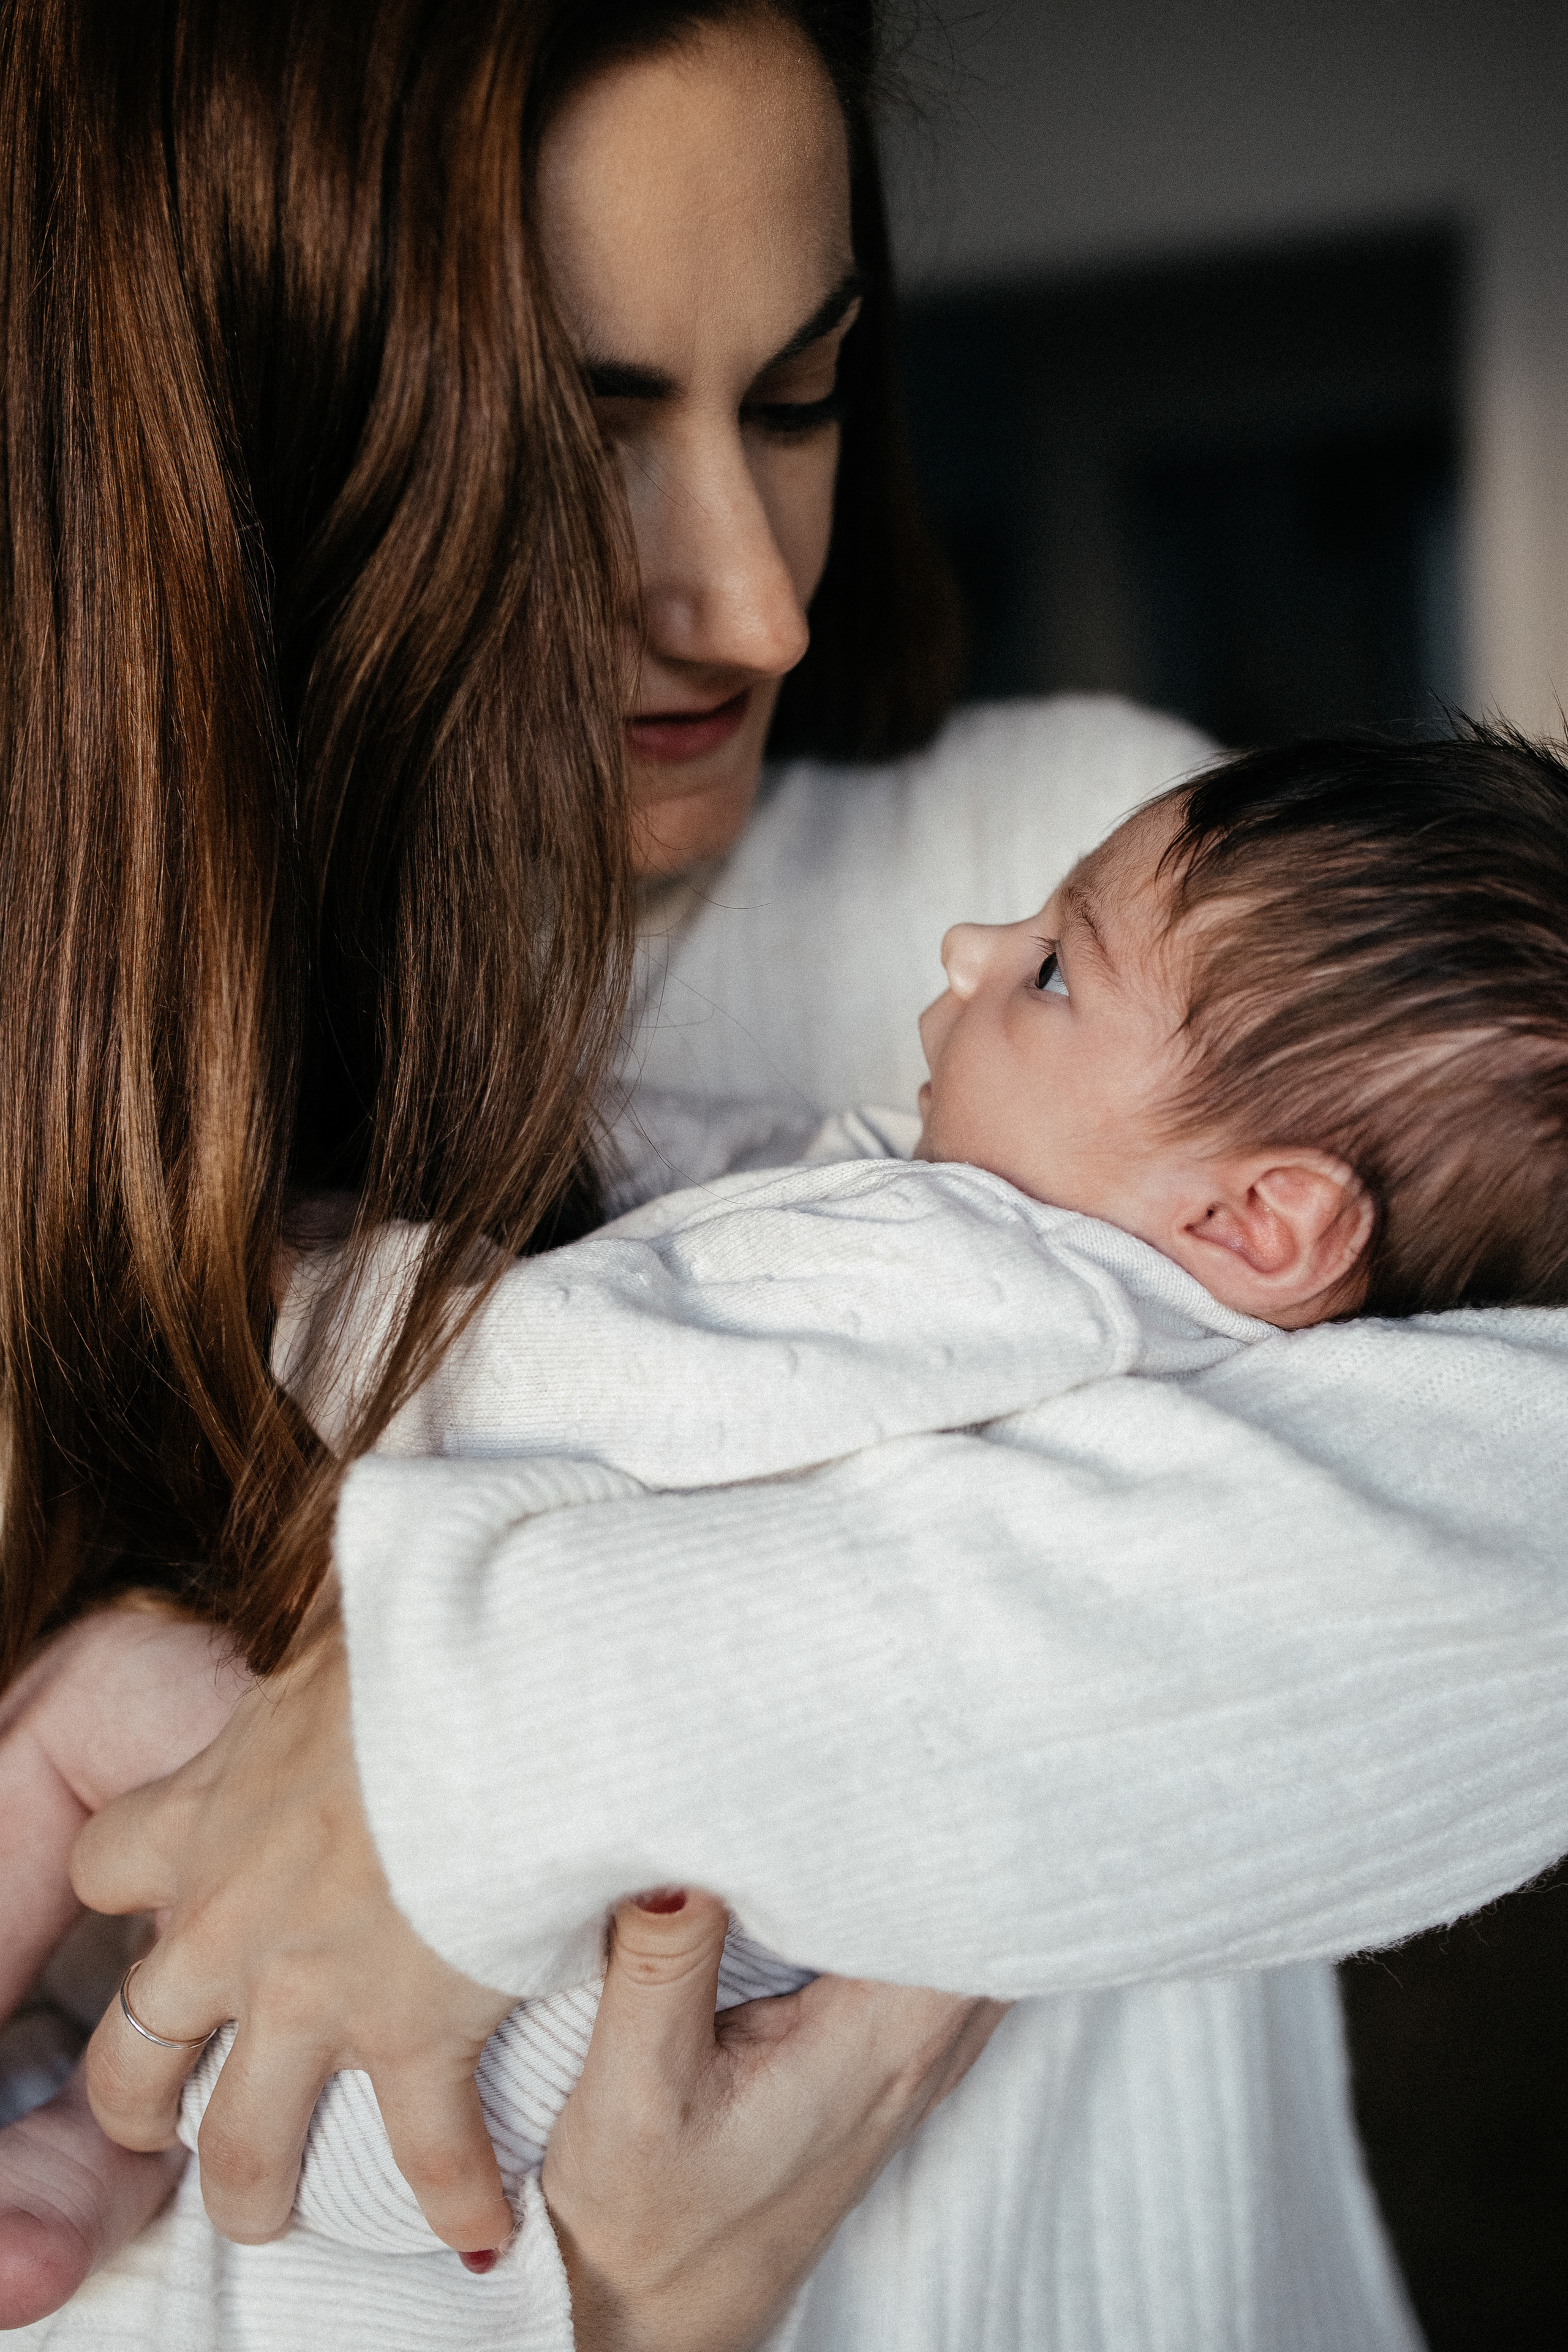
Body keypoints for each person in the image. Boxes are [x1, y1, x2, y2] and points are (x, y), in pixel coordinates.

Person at [6, 2, 1567, 2347]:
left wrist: (466, 1738)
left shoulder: (1136, 899)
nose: (755, 602)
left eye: (804, 395)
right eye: (577, 435)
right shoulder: (81, 1085)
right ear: (245, 452)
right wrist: (618, 2321)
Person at [14, 732, 1568, 2351]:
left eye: (1047, 972)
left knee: (97, 1717)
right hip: (491, 2099)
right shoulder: (1154, 1337)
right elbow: (732, 1205)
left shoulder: (976, 1269)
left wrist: (304, 1291)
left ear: (1260, 1219)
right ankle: (94, 2141)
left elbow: (589, 1363)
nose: (972, 951)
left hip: (504, 2053)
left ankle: (92, 2120)